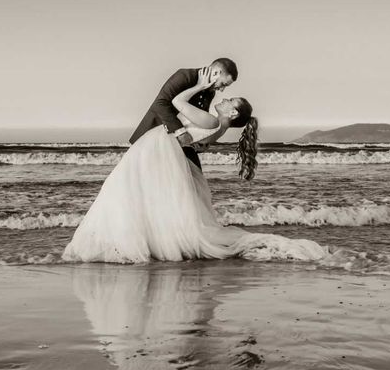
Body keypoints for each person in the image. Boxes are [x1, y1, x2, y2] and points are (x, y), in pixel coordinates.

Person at [63, 69, 326, 264]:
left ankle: (131, 244)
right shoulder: (217, 126)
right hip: (163, 152)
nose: (223, 100)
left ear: (232, 114)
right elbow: (195, 144)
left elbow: (176, 103)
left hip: (157, 150)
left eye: (229, 102)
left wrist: (200, 84)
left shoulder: (212, 122)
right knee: (135, 197)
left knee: (126, 194)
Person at [129, 57, 238, 170]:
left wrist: (201, 142)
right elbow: (160, 104)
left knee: (194, 174)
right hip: (153, 136)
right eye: (223, 84)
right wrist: (180, 132)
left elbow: (199, 118)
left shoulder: (210, 92)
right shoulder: (185, 76)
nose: (222, 90)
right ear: (216, 73)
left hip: (178, 144)